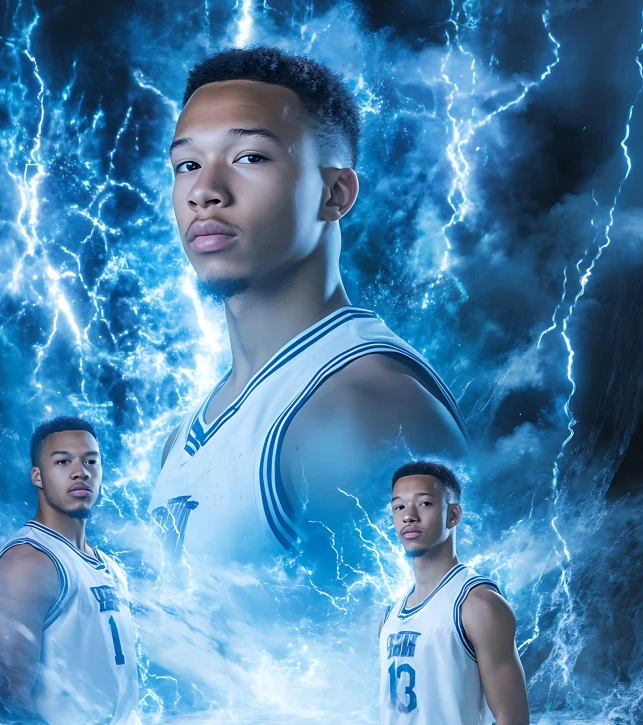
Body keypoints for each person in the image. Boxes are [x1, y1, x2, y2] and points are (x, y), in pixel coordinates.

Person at [149, 46, 469, 566]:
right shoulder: (185, 436)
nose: (203, 192)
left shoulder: (363, 411)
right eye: (186, 164)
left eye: (249, 157)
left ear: (336, 193)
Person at [0, 416, 150, 725]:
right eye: (63, 462)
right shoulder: (29, 561)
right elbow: (9, 689)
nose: (80, 472)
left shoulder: (109, 565)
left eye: (90, 461)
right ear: (38, 476)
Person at [369, 461, 529, 725]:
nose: (408, 515)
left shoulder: (478, 603)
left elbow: (514, 723)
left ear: (453, 515)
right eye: (398, 506)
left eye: (424, 503)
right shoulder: (390, 616)